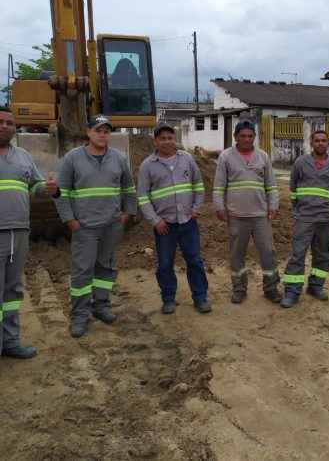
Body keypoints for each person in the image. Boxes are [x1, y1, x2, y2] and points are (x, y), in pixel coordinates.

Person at [54, 115, 137, 338]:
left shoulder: (118, 158)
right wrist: (70, 220)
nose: (103, 134)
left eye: (106, 131)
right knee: (82, 271)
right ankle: (80, 314)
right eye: (98, 130)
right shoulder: (73, 158)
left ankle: (101, 305)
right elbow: (61, 192)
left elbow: (129, 188)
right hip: (85, 227)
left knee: (106, 268)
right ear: (88, 132)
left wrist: (127, 214)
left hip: (111, 225)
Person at [0, 107, 58, 359]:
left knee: (12, 290)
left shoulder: (23, 155)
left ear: (15, 128)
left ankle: (10, 341)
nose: (4, 126)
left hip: (19, 231)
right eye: (0, 122)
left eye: (9, 123)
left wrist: (48, 189)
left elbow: (35, 186)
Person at [137, 122, 211, 314]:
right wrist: (155, 221)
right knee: (165, 264)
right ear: (156, 141)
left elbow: (198, 185)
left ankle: (200, 297)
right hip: (164, 226)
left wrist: (196, 208)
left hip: (188, 222)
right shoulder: (147, 166)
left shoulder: (186, 159)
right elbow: (143, 197)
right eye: (163, 138)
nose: (167, 141)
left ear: (174, 139)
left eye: (170, 137)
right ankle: (168, 298)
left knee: (194, 261)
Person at [213, 120, 281, 304]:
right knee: (237, 254)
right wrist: (219, 207)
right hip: (236, 216)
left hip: (260, 216)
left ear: (254, 137)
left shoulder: (263, 157)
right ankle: (239, 288)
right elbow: (219, 185)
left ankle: (271, 288)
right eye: (242, 136)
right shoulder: (226, 157)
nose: (246, 139)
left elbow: (271, 185)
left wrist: (273, 205)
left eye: (250, 136)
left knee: (268, 253)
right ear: (236, 137)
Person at [280, 130, 329, 308]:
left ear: (328, 143)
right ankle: (292, 291)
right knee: (298, 254)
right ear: (311, 143)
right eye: (317, 140)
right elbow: (293, 188)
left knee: (323, 254)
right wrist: (298, 208)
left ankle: (316, 286)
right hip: (304, 217)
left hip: (325, 217)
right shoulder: (300, 163)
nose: (320, 143)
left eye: (324, 140)